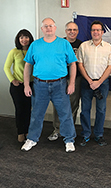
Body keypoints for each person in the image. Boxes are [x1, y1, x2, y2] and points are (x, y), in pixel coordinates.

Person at [21, 18, 77, 153]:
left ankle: (69, 140)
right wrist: (26, 85)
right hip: (40, 85)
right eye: (45, 26)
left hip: (60, 84)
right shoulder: (35, 45)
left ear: (55, 27)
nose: (48, 28)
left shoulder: (64, 44)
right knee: (37, 114)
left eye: (51, 25)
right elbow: (28, 65)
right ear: (42, 29)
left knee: (65, 114)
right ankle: (32, 139)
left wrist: (72, 83)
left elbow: (73, 64)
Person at [77, 20, 111, 146]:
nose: (96, 32)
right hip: (86, 82)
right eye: (93, 30)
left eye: (98, 30)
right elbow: (80, 64)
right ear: (91, 32)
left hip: (103, 83)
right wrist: (90, 81)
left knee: (101, 110)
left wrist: (99, 82)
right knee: (85, 109)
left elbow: (110, 67)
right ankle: (85, 134)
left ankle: (99, 135)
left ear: (102, 32)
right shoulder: (83, 46)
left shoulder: (109, 47)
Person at [48, 21, 83, 141]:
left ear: (77, 31)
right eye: (69, 30)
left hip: (75, 79)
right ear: (65, 31)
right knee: (58, 105)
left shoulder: (81, 45)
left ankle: (69, 129)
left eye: (74, 30)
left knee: (73, 105)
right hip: (59, 79)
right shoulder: (58, 43)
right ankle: (57, 129)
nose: (72, 32)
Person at [4, 29, 34, 143]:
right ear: (18, 39)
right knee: (20, 109)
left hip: (31, 85)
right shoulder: (14, 52)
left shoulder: (33, 51)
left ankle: (27, 131)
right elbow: (6, 67)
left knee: (29, 109)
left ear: (30, 39)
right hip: (18, 86)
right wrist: (12, 80)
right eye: (21, 37)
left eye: (26, 37)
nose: (24, 40)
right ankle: (20, 132)